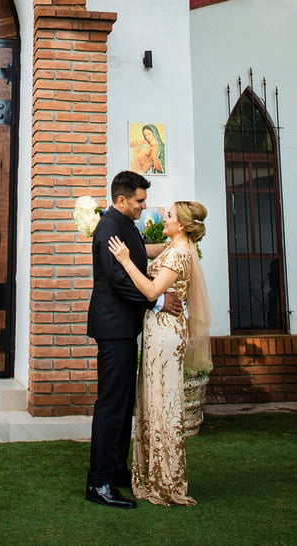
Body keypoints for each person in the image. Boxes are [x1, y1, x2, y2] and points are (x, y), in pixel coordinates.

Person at [85, 170, 182, 509]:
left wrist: (177, 244)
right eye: (140, 201)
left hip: (124, 327)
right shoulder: (109, 228)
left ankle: (116, 470)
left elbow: (140, 253)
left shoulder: (125, 224)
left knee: (124, 403)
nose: (145, 206)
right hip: (113, 329)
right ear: (122, 199)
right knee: (111, 405)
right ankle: (99, 483)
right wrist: (157, 299)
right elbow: (117, 280)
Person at [108, 201, 211, 507]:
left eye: (168, 216)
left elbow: (153, 292)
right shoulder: (172, 246)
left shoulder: (179, 253)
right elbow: (146, 249)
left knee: (163, 402)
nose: (163, 218)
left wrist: (125, 261)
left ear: (181, 225)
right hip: (157, 331)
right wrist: (111, 225)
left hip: (166, 334)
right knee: (153, 399)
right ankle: (151, 473)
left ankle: (168, 481)